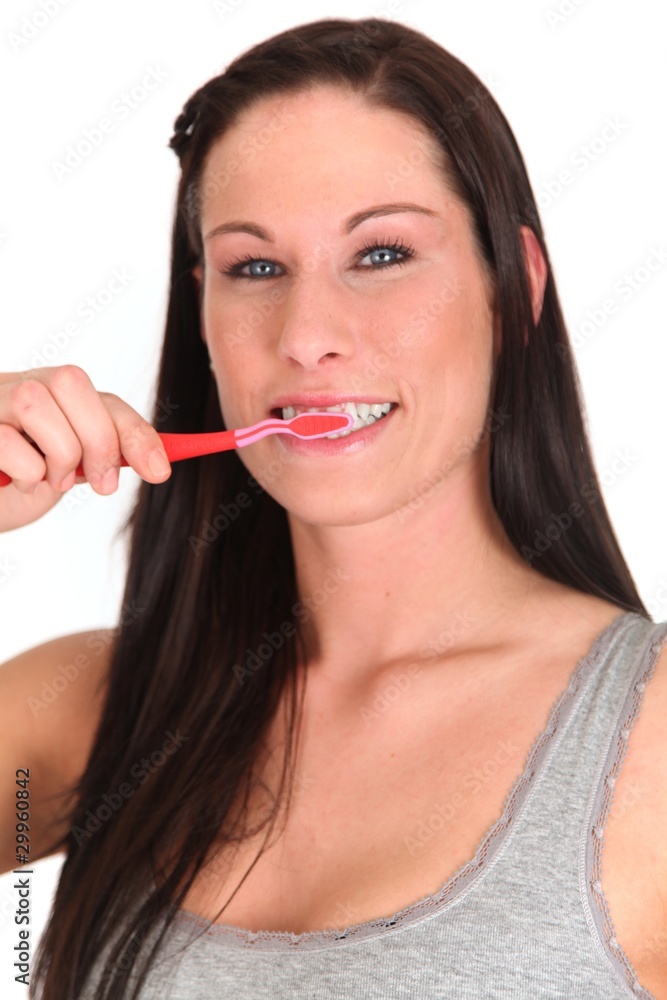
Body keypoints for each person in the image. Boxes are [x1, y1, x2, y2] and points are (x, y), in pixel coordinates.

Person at [1, 15, 665, 1000]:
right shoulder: (93, 710)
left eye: (382, 253)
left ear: (512, 289)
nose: (307, 335)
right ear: (204, 314)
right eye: (255, 268)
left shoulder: (647, 740)